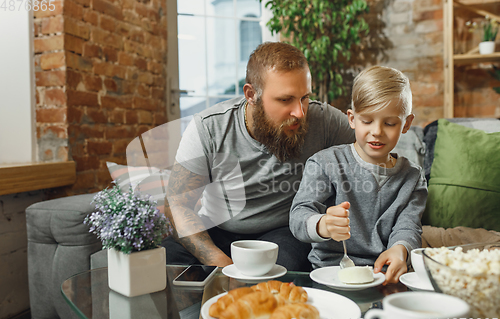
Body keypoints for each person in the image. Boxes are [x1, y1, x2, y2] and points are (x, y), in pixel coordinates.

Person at [162, 42, 355, 272]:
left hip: (282, 232)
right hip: (219, 230)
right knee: (167, 258)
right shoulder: (208, 128)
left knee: (274, 271)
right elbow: (177, 204)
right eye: (285, 100)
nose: (300, 113)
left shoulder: (324, 121)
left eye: (304, 97)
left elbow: (374, 144)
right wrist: (220, 264)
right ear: (251, 94)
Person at [289, 65, 428, 283]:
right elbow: (298, 216)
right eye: (367, 121)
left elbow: (408, 226)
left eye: (390, 123)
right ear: (352, 119)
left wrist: (401, 250)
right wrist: (322, 224)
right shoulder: (325, 163)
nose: (377, 131)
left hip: (384, 276)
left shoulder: (413, 177)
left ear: (406, 124)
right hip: (330, 274)